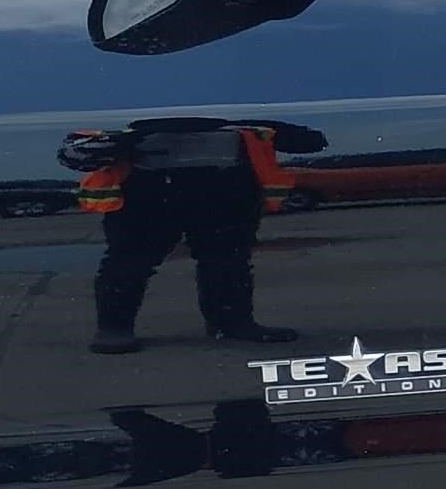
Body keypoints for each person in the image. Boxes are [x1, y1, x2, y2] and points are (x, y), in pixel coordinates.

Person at [58, 117, 322, 353]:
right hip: (152, 190)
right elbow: (310, 142)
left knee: (226, 261)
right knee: (132, 261)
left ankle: (231, 323)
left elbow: (311, 142)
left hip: (221, 188)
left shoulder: (245, 117)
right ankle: (114, 328)